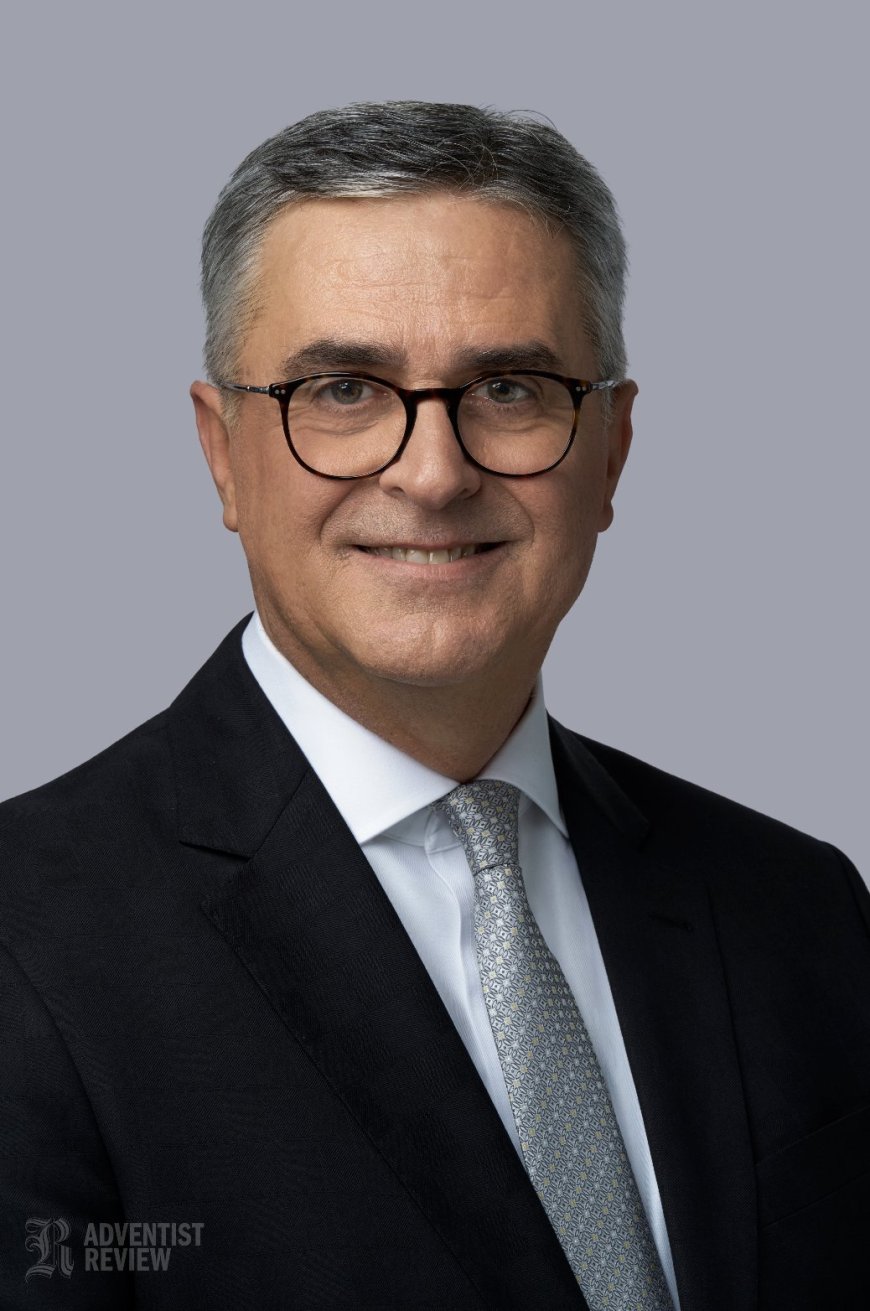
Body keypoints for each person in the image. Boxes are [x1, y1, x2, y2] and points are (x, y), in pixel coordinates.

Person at [0, 101, 867, 1311]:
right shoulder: (28, 944)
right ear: (222, 453)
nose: (433, 472)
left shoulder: (799, 909)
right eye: (343, 389)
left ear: (611, 450)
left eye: (509, 386)